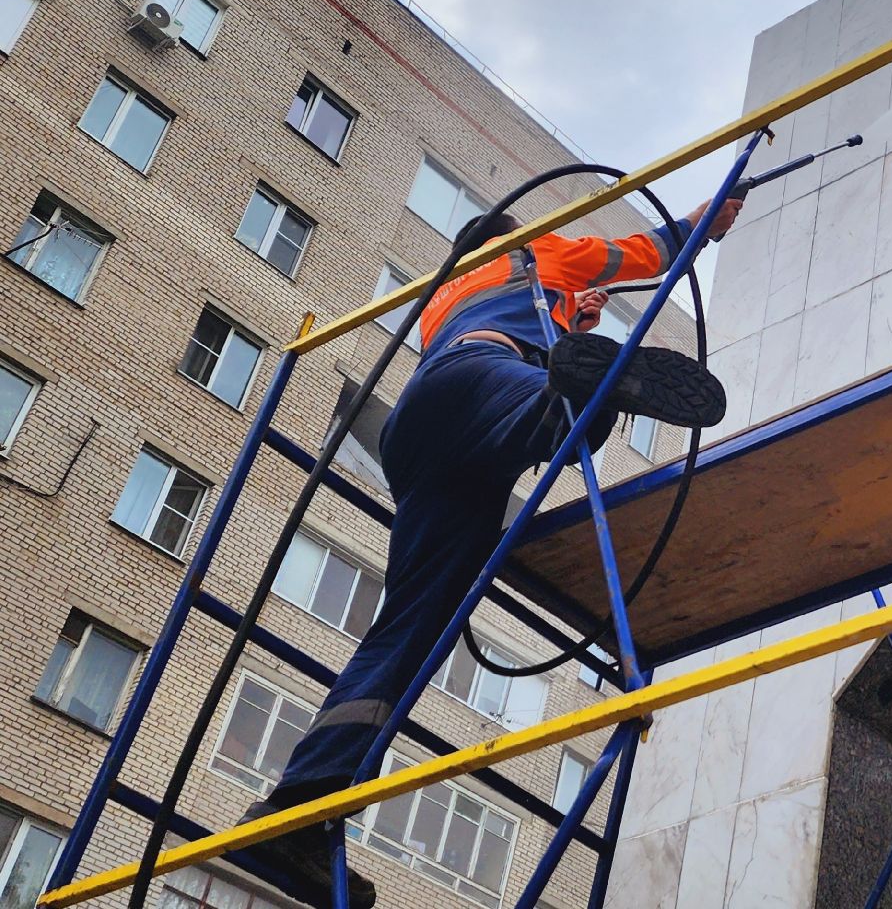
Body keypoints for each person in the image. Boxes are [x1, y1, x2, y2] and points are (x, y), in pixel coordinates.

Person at [241, 198, 741, 907]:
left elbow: (509, 326)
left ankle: (296, 812)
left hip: (422, 429)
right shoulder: (537, 251)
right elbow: (647, 251)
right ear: (514, 236)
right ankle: (585, 394)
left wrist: (569, 319)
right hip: (486, 383)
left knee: (407, 631)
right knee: (564, 421)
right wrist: (705, 221)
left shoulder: (445, 295)